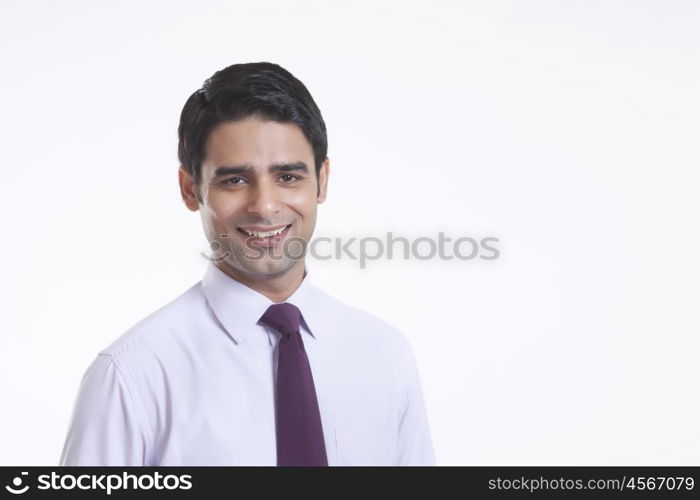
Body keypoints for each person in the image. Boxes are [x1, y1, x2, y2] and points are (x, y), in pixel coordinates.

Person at [59, 62, 436, 466]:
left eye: (288, 177)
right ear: (191, 189)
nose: (265, 206)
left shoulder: (385, 355)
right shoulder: (133, 375)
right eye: (235, 180)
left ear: (322, 181)